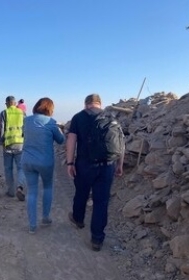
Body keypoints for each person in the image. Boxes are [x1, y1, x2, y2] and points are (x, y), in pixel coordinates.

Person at [66, 93, 124, 252]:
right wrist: (120, 164)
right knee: (101, 202)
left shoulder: (78, 117)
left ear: (86, 104)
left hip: (84, 164)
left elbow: (71, 140)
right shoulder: (111, 117)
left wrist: (70, 162)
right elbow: (120, 142)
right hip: (107, 166)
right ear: (100, 103)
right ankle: (97, 239)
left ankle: (78, 219)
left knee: (81, 193)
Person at [21, 97, 65, 234]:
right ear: (50, 109)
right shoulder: (51, 123)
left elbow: (24, 135)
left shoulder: (26, 120)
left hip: (27, 160)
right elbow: (61, 140)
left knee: (32, 191)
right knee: (47, 187)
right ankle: (45, 217)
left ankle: (32, 226)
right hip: (45, 161)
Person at [0, 95, 26, 201]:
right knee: (20, 167)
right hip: (20, 144)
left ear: (7, 103)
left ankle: (11, 191)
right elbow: (25, 128)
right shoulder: (22, 113)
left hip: (8, 144)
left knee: (8, 168)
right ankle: (19, 187)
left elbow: (2, 129)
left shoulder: (4, 113)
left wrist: (1, 141)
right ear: (15, 103)